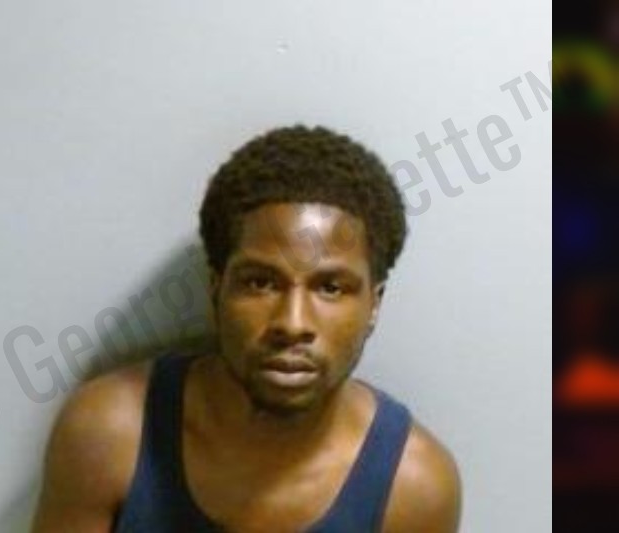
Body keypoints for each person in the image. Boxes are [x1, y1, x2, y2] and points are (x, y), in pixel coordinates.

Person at [31, 125, 462, 532]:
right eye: (260, 283)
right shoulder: (110, 434)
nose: (292, 323)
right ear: (216, 288)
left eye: (330, 288)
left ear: (374, 303)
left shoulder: (413, 485)